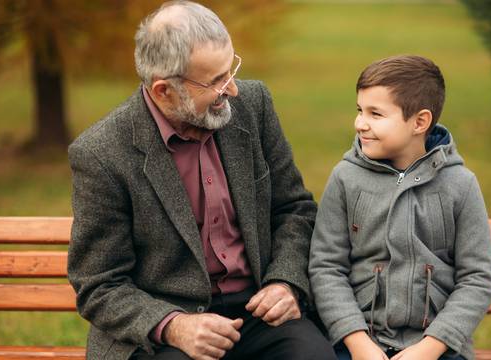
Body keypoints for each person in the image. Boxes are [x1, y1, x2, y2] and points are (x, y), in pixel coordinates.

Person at [67, 2, 336, 359]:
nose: (233, 90)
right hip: (166, 326)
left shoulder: (253, 105)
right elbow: (99, 284)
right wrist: (174, 325)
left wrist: (285, 281)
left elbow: (293, 209)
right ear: (164, 91)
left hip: (258, 309)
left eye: (230, 70)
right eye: (215, 81)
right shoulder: (102, 154)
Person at [308, 55, 491, 360]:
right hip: (359, 344)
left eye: (375, 114)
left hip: (439, 348)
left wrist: (429, 348)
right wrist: (358, 343)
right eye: (359, 110)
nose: (360, 123)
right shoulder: (346, 178)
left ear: (419, 122)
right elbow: (326, 267)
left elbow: (478, 278)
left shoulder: (460, 185)